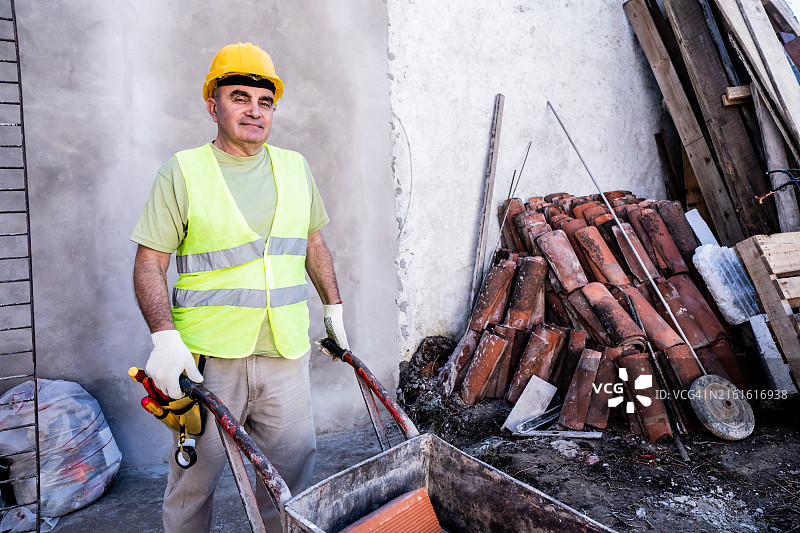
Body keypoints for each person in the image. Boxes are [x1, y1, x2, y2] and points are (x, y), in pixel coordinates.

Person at [130, 42, 348, 533]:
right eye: (239, 97)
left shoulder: (296, 167)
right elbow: (149, 261)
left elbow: (314, 244)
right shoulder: (182, 171)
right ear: (214, 105)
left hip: (284, 354)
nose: (254, 110)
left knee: (290, 479)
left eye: (264, 101)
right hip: (207, 360)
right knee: (193, 482)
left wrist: (335, 310)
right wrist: (164, 338)